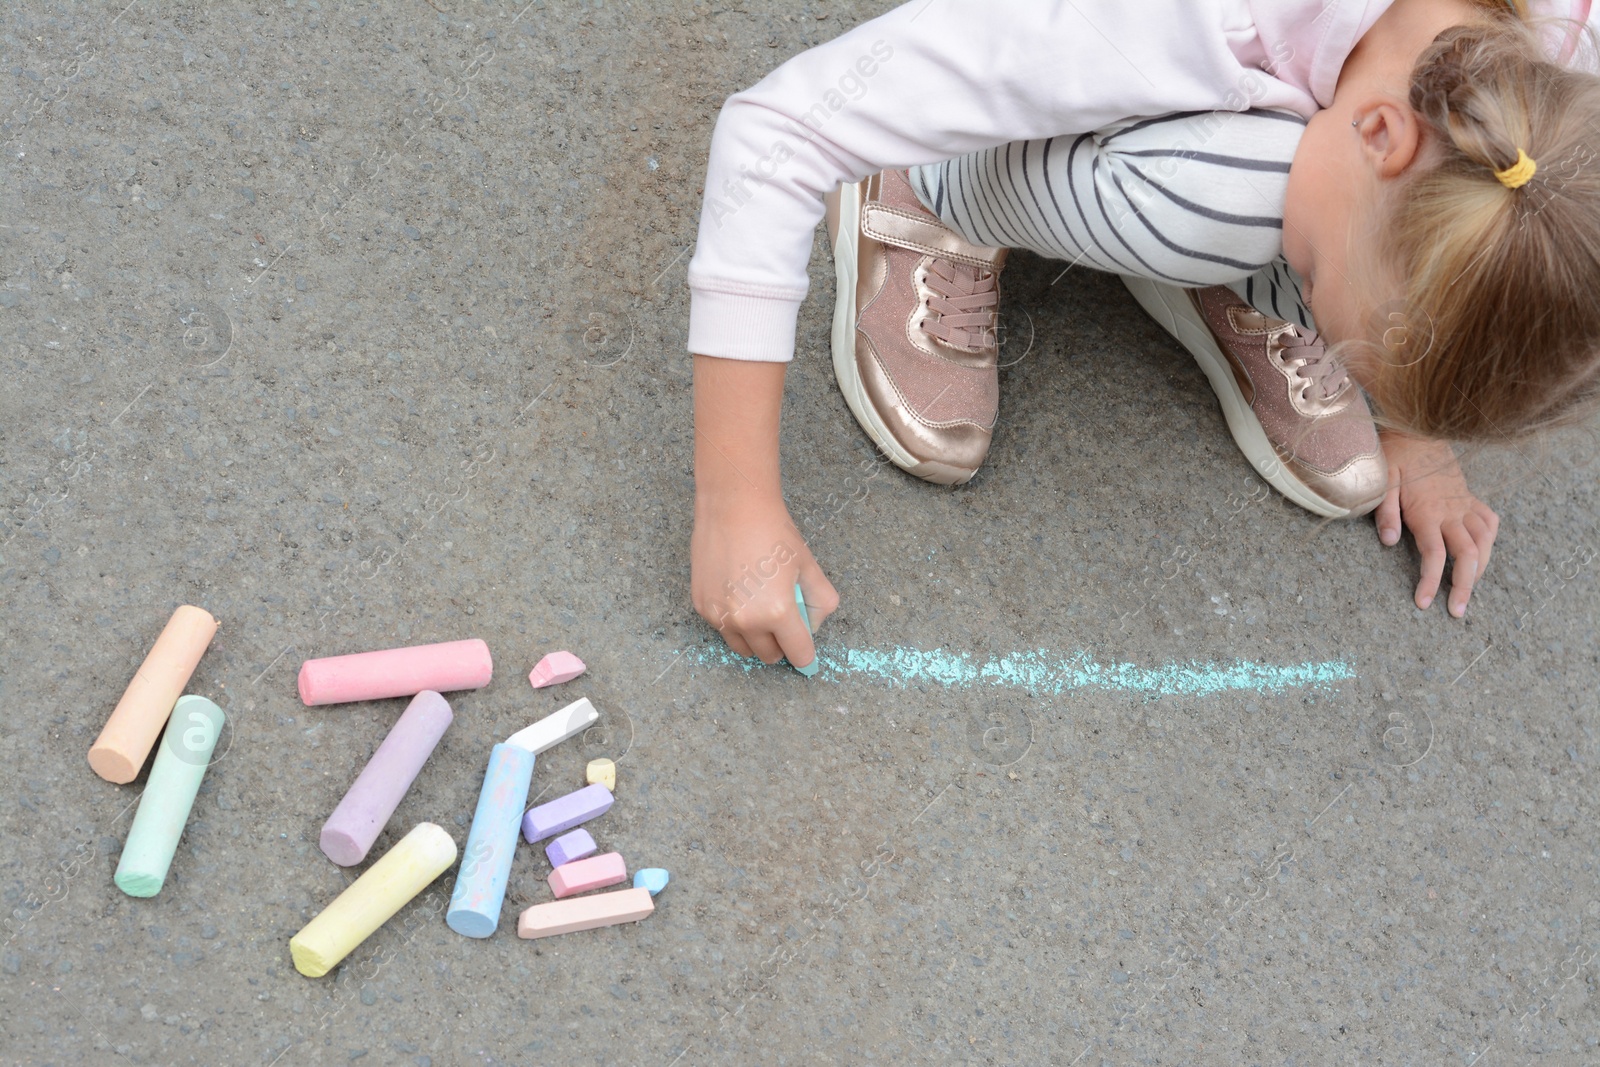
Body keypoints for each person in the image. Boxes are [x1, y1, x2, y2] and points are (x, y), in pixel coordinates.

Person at [687, 0, 1600, 671]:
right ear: (1378, 132)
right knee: (1233, 191)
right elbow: (776, 134)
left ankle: (1244, 258)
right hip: (1053, 43)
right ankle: (929, 185)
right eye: (1314, 285)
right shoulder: (1160, 21)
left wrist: (1418, 418)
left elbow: (1504, 224)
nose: (1318, 316)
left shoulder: (1556, 62)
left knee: (1270, 200)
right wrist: (739, 513)